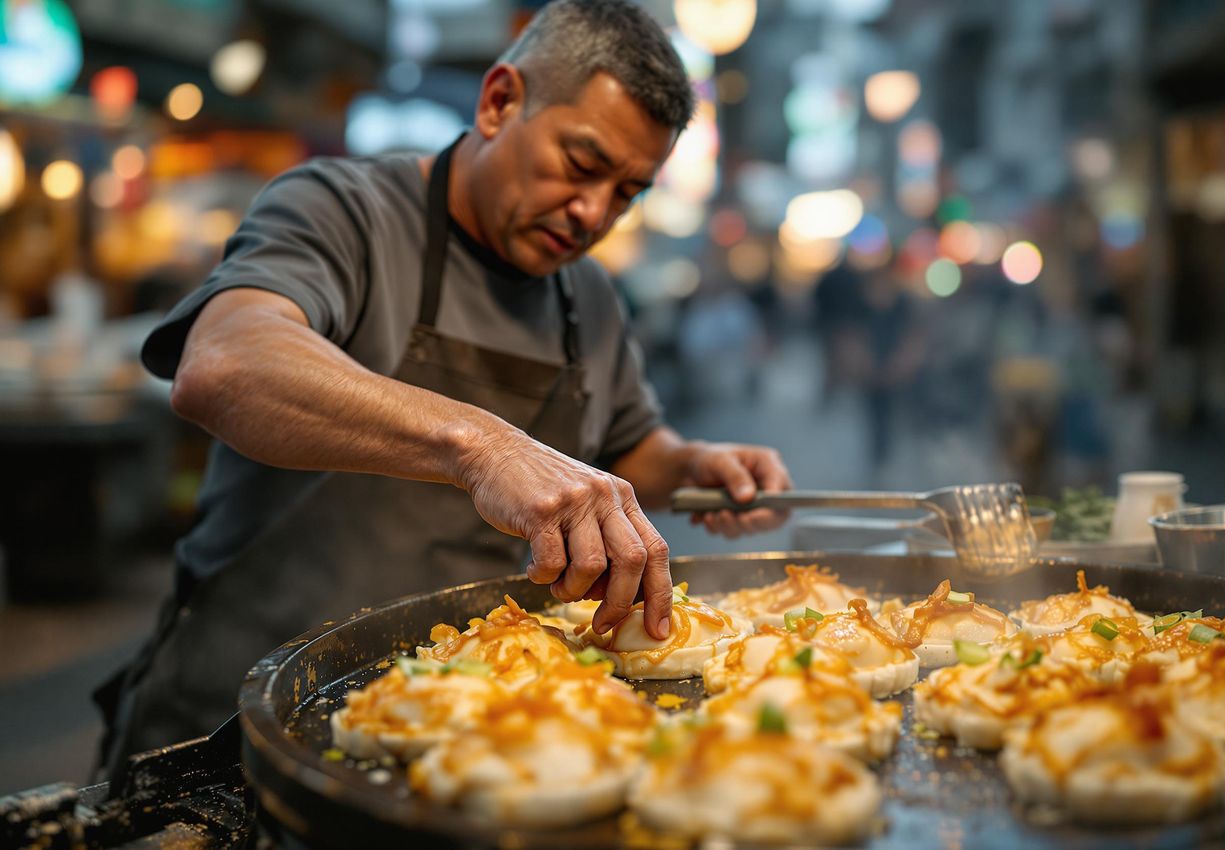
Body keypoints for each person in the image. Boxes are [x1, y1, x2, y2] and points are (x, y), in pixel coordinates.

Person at [95, 0, 792, 779]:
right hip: (240, 726)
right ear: (499, 102)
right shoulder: (344, 210)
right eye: (582, 163)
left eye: (627, 192)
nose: (594, 212)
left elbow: (626, 448)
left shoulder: (585, 294)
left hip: (458, 734)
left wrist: (694, 465)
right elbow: (224, 364)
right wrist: (481, 445)